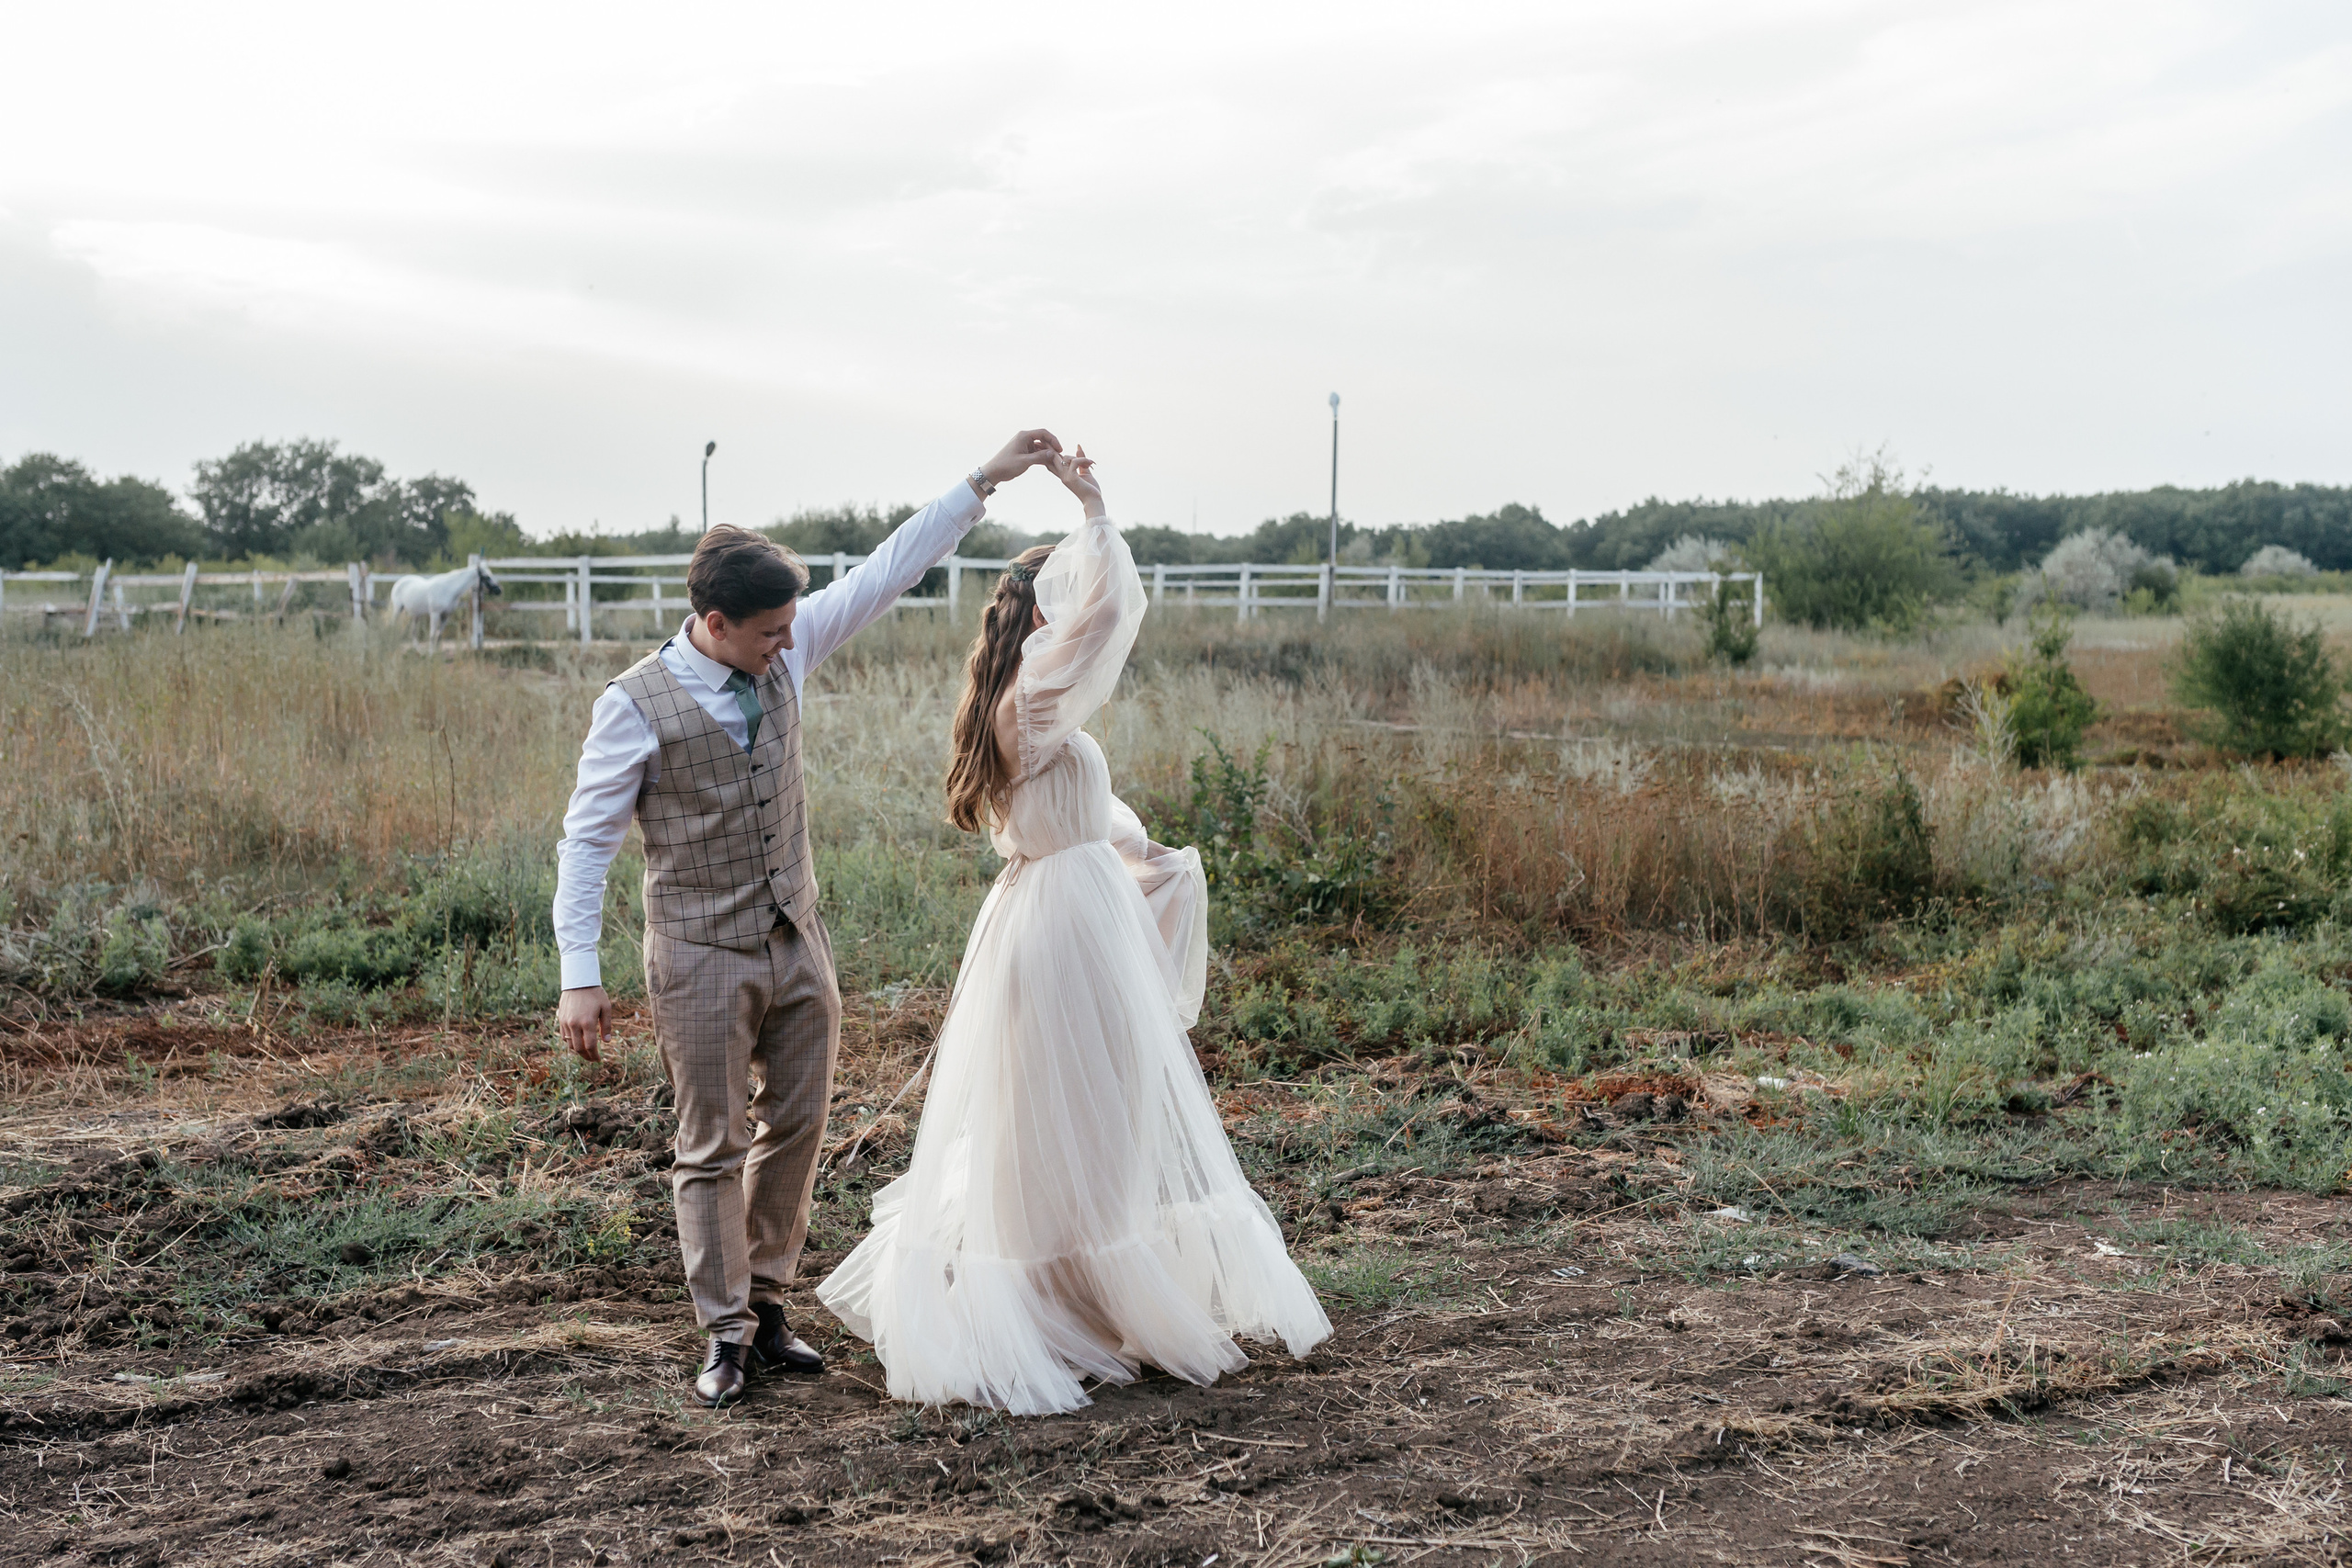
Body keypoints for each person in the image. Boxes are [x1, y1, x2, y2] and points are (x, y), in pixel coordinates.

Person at [551, 431, 1067, 1408]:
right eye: (768, 633)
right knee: (711, 1144)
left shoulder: (787, 647)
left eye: (791, 626)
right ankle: (724, 1333)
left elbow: (887, 570)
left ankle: (767, 1301)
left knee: (798, 1124)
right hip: (699, 953)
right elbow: (586, 844)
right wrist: (580, 971)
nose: (788, 643)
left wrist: (985, 480)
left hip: (799, 938)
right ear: (714, 623)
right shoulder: (632, 707)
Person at [818, 446, 1332, 1414]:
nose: (1076, 610)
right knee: (1073, 1116)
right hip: (1063, 929)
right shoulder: (1034, 697)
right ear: (1040, 614)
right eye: (1062, 596)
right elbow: (1108, 621)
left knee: (1088, 1114)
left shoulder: (1026, 701)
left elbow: (1082, 810)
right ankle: (1062, 1302)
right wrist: (1094, 510)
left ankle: (1088, 1293)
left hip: (1071, 913)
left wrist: (1144, 853)